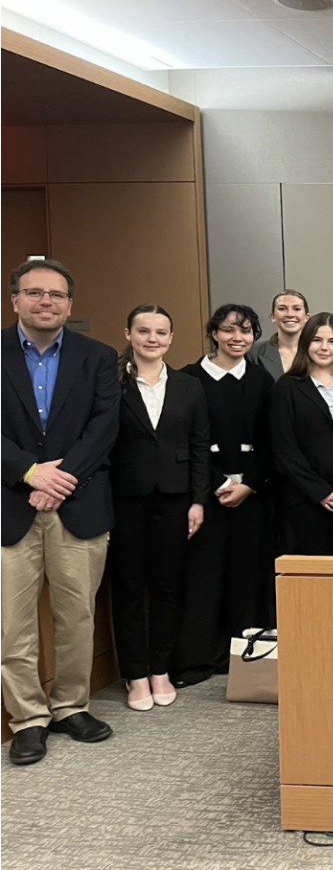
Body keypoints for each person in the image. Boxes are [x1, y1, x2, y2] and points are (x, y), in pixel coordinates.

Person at [2, 259, 119, 766]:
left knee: (77, 615)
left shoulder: (98, 356)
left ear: (70, 304)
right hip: (11, 503)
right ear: (15, 301)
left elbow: (104, 426)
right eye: (34, 293)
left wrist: (59, 478)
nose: (45, 301)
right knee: (12, 623)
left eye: (55, 294)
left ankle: (71, 706)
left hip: (79, 501)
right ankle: (27, 719)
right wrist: (30, 473)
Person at [109, 306, 210, 713]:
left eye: (161, 332)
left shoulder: (189, 386)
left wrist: (199, 499)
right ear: (129, 334)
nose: (153, 338)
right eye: (144, 331)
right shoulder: (110, 383)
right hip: (125, 500)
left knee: (169, 588)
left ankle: (161, 670)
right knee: (129, 589)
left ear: (171, 338)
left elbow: (201, 445)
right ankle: (135, 675)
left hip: (175, 499)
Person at [176, 304, 275, 687]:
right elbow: (186, 440)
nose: (239, 337)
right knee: (203, 576)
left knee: (248, 578)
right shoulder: (188, 379)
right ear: (213, 332)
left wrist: (249, 484)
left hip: (253, 494)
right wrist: (217, 483)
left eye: (247, 330)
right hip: (206, 494)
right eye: (230, 329)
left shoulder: (263, 380)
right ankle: (198, 661)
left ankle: (245, 660)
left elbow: (272, 442)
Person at [272, 313, 333, 556]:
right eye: (316, 340)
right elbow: (284, 447)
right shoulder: (287, 387)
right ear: (305, 343)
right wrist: (319, 491)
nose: (324, 348)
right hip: (304, 501)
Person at [247, 289, 309, 381]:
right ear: (273, 317)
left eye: (297, 309)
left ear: (306, 317)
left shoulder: (318, 352)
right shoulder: (253, 353)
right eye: (282, 309)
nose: (290, 314)